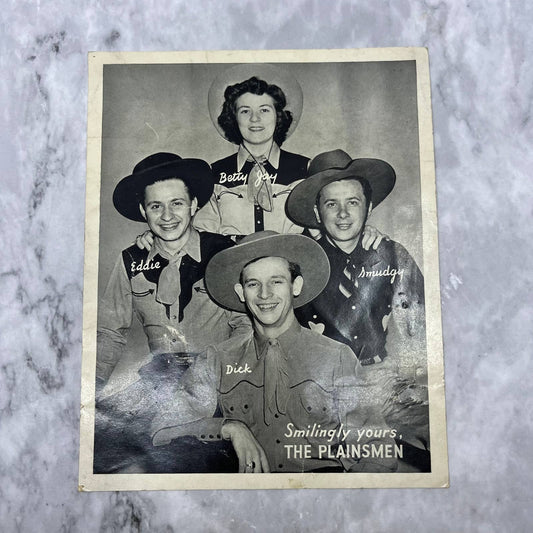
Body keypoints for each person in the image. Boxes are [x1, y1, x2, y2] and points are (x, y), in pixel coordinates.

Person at [149, 231, 398, 473]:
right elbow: (161, 429)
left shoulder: (336, 357)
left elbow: (379, 450)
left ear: (295, 286)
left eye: (276, 281)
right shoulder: (218, 358)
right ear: (241, 293)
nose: (264, 294)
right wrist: (229, 427)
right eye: (253, 284)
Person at [94, 152, 250, 473]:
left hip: (218, 386)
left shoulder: (223, 253)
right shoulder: (131, 260)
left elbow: (246, 329)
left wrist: (223, 378)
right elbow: (109, 333)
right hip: (156, 387)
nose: (167, 216)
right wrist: (89, 388)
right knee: (101, 449)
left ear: (194, 205)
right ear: (143, 211)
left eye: (177, 203)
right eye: (156, 206)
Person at [286, 149, 429, 471]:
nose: (343, 214)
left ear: (369, 207)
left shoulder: (392, 254)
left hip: (384, 377)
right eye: (330, 204)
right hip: (322, 386)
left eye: (353, 202)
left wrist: (405, 379)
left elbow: (418, 327)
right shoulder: (300, 262)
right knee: (371, 462)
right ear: (316, 211)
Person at [193, 67, 310, 237]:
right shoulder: (214, 174)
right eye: (245, 111)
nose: (255, 119)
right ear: (233, 117)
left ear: (278, 116)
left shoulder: (304, 169)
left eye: (264, 110)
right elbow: (201, 235)